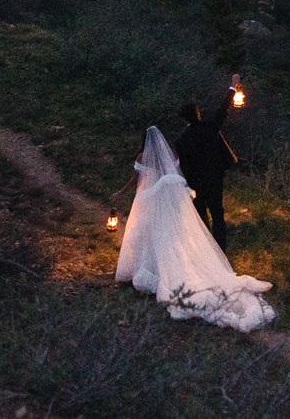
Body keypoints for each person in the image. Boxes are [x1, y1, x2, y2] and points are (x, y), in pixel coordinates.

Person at [114, 125, 273, 332]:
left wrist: (122, 192)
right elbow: (176, 172)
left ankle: (154, 267)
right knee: (172, 236)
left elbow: (137, 181)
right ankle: (168, 264)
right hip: (169, 203)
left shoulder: (142, 155)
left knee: (150, 234)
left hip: (153, 202)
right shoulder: (170, 154)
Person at [174, 100, 240, 249]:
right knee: (218, 214)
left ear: (184, 119)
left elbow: (184, 167)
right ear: (197, 113)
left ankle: (206, 250)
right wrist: (233, 86)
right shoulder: (210, 127)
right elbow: (222, 110)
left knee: (202, 217)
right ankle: (220, 249)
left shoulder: (181, 140)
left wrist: (191, 187)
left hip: (196, 184)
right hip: (215, 179)